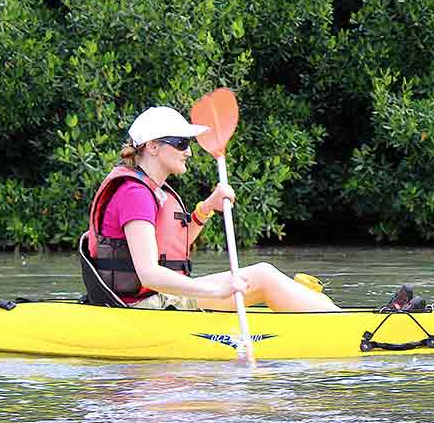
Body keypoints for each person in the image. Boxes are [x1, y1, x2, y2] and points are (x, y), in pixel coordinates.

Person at [82, 105, 339, 311]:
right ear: (153, 146)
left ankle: (334, 315)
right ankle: (340, 328)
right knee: (262, 276)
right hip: (144, 306)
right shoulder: (134, 194)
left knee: (264, 276)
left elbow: (174, 244)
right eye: (182, 143)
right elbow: (148, 274)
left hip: (159, 297)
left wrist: (206, 208)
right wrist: (215, 291)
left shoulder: (151, 190)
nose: (189, 152)